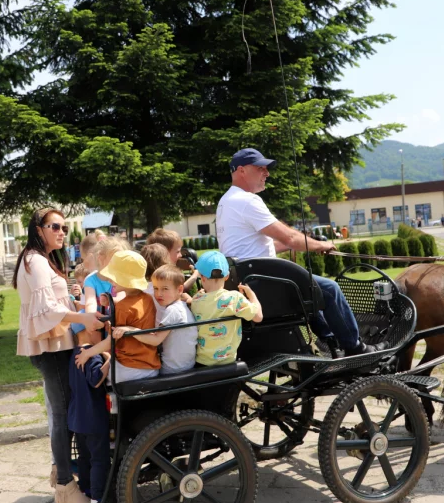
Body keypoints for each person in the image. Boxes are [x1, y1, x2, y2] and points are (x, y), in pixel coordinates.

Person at [216, 147, 386, 356]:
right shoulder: (247, 200)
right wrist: (319, 245)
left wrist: (299, 244)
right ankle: (355, 347)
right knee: (329, 289)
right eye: (260, 168)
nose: (266, 173)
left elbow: (257, 246)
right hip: (263, 285)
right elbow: (290, 238)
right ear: (241, 170)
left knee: (306, 287)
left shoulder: (226, 201)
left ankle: (329, 341)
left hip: (250, 281)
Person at [14, 207, 104, 503]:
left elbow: (55, 303)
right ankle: (66, 485)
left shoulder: (43, 260)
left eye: (64, 227)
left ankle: (66, 474)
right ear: (38, 229)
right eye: (54, 226)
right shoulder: (35, 261)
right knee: (63, 413)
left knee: (64, 411)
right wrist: (84, 316)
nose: (61, 232)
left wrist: (78, 305)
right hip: (50, 347)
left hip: (55, 343)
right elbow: (46, 310)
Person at [76, 250, 159, 382]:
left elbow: (110, 342)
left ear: (126, 280)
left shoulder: (122, 307)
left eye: (114, 277)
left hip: (129, 369)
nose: (110, 280)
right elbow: (134, 315)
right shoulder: (148, 298)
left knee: (98, 378)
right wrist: (112, 302)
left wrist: (87, 353)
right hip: (150, 365)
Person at [114, 264, 198, 375]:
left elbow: (156, 340)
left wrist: (131, 330)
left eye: (165, 289)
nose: (159, 294)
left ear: (180, 289)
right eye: (156, 288)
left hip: (172, 369)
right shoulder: (180, 306)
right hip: (186, 364)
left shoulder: (172, 310)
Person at [190, 252, 262, 365]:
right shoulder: (234, 298)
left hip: (201, 362)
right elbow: (258, 317)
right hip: (227, 361)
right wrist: (251, 295)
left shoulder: (196, 300)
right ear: (227, 276)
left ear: (202, 278)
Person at [67, 341, 110, 503]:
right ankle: (97, 502)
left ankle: (86, 492)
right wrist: (109, 358)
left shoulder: (75, 353)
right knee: (99, 459)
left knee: (84, 457)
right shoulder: (91, 353)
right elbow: (96, 380)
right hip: (93, 418)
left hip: (78, 418)